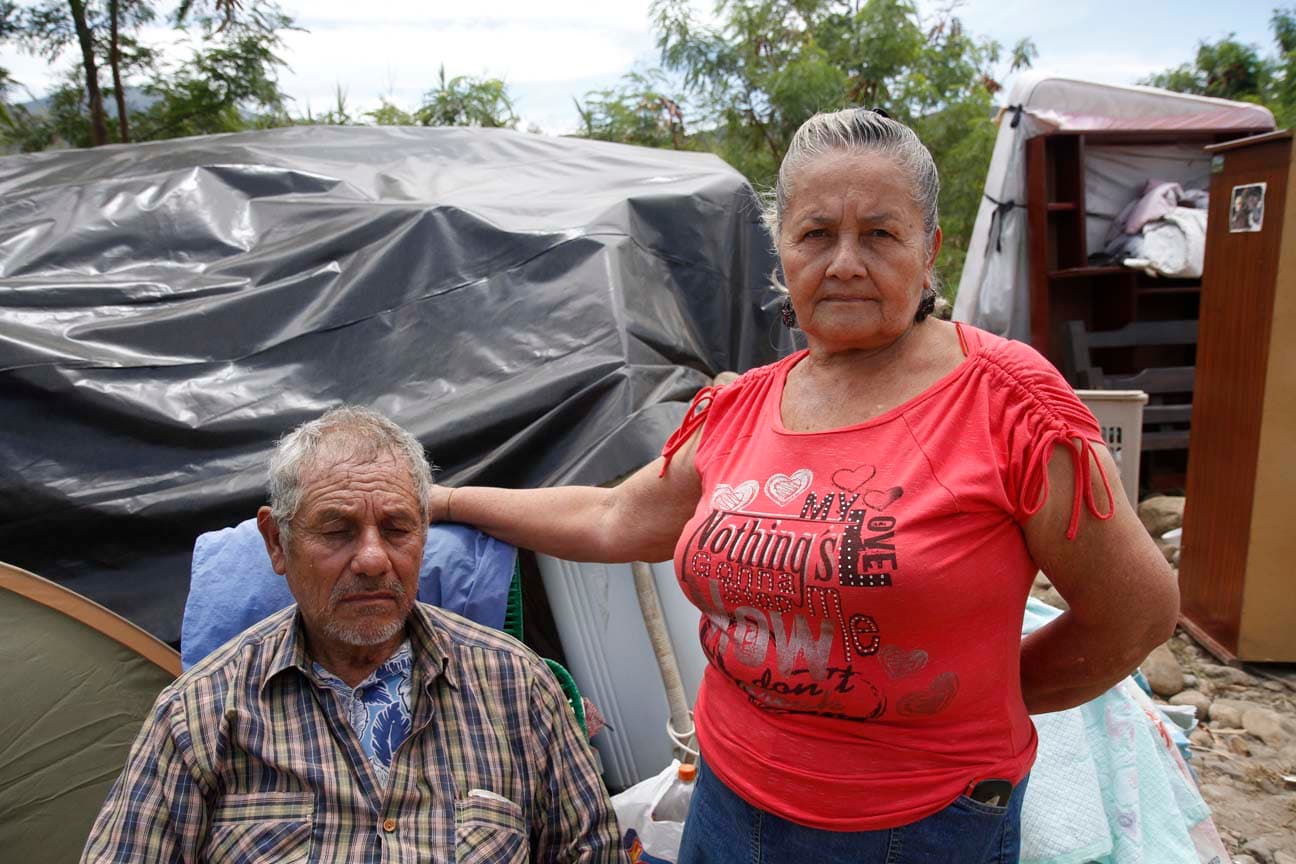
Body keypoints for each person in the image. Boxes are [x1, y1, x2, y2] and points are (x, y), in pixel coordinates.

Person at [427, 109, 1180, 864]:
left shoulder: (1009, 403)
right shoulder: (742, 405)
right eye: (816, 234)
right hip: (728, 802)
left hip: (920, 826)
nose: (845, 263)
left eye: (880, 234)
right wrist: (446, 501)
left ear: (929, 251)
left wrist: (989, 692)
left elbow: (1136, 613)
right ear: (782, 249)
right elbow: (613, 516)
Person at [82, 406, 623, 864]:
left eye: (397, 529)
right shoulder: (199, 714)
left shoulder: (517, 687)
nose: (371, 559)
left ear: (422, 535)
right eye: (337, 531)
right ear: (277, 543)